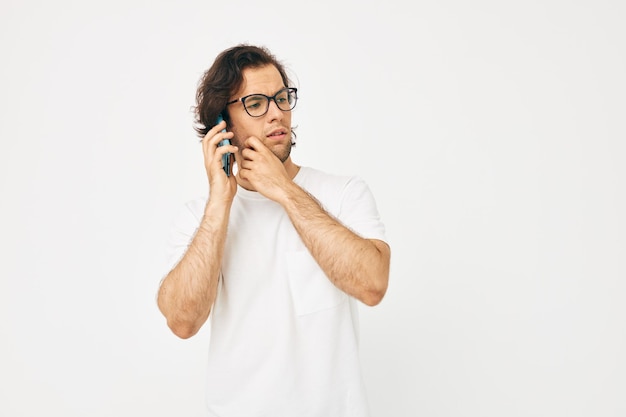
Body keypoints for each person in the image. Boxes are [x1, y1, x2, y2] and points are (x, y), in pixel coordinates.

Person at [157, 43, 391, 417]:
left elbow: (372, 284)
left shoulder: (344, 193)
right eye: (255, 104)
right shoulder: (199, 219)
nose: (277, 114)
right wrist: (221, 200)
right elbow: (182, 321)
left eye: (282, 98)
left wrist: (282, 189)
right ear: (223, 122)